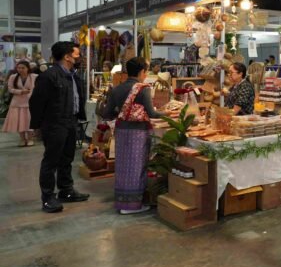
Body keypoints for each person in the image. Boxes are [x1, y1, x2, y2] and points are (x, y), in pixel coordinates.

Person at [29, 41, 89, 213]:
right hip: (54, 123)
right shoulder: (49, 76)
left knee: (67, 158)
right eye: (77, 55)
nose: (80, 57)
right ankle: (48, 198)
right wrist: (37, 126)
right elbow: (36, 102)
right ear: (67, 57)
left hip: (71, 121)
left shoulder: (73, 75)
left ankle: (66, 190)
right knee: (51, 161)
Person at [101, 57, 163, 214]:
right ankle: (133, 205)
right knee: (137, 167)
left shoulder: (116, 89)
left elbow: (107, 113)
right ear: (142, 71)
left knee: (123, 167)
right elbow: (152, 113)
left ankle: (122, 202)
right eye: (146, 71)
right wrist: (168, 114)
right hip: (138, 132)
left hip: (121, 131)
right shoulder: (143, 89)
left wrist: (122, 112)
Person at [3, 60, 38, 146]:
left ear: (28, 68)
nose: (20, 69)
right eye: (19, 68)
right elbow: (10, 89)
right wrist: (20, 91)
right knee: (19, 122)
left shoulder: (34, 76)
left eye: (23, 68)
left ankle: (30, 139)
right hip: (16, 103)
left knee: (29, 121)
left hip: (30, 103)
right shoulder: (13, 77)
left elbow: (37, 88)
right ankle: (22, 139)